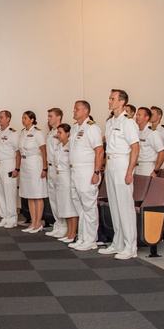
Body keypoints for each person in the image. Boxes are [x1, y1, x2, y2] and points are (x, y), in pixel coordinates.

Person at [101, 90, 140, 260]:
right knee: (115, 205)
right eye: (109, 98)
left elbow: (135, 148)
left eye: (112, 99)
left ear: (122, 101)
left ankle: (131, 246)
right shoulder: (110, 122)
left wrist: (129, 171)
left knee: (125, 207)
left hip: (122, 163)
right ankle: (118, 242)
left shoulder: (128, 122)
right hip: (110, 163)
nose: (109, 101)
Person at [68, 100, 103, 251]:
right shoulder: (76, 127)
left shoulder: (92, 128)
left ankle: (90, 239)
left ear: (86, 111)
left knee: (89, 206)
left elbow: (99, 151)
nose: (74, 111)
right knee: (79, 205)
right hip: (75, 170)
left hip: (87, 170)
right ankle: (82, 237)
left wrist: (96, 172)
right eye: (74, 108)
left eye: (77, 109)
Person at [18, 111, 48, 233]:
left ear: (32, 119)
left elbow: (43, 151)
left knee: (37, 193)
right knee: (29, 194)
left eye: (25, 118)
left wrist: (45, 168)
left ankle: (38, 223)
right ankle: (32, 221)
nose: (23, 120)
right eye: (22, 118)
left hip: (35, 163)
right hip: (25, 164)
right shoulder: (22, 132)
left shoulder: (37, 132)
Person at [52, 123, 79, 243]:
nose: (58, 135)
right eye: (57, 132)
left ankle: (73, 233)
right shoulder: (58, 146)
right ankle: (68, 232)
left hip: (67, 177)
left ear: (67, 133)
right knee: (64, 206)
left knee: (71, 207)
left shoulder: (71, 145)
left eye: (60, 132)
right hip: (59, 177)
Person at [0, 110, 20, 228]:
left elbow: (18, 152)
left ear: (8, 119)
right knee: (1, 192)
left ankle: (12, 218)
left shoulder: (12, 133)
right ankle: (4, 217)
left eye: (1, 117)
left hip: (9, 165)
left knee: (9, 192)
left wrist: (17, 169)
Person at [45, 108, 66, 237]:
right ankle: (57, 224)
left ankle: (64, 225)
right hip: (50, 167)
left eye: (51, 116)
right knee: (53, 199)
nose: (48, 118)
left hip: (59, 168)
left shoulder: (62, 132)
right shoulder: (50, 133)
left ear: (58, 117)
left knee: (61, 198)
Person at [133, 107, 164, 176]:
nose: (137, 117)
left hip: (147, 167)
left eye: (139, 115)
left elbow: (162, 153)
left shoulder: (152, 133)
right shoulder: (136, 131)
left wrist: (156, 170)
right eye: (137, 115)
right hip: (136, 166)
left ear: (147, 117)